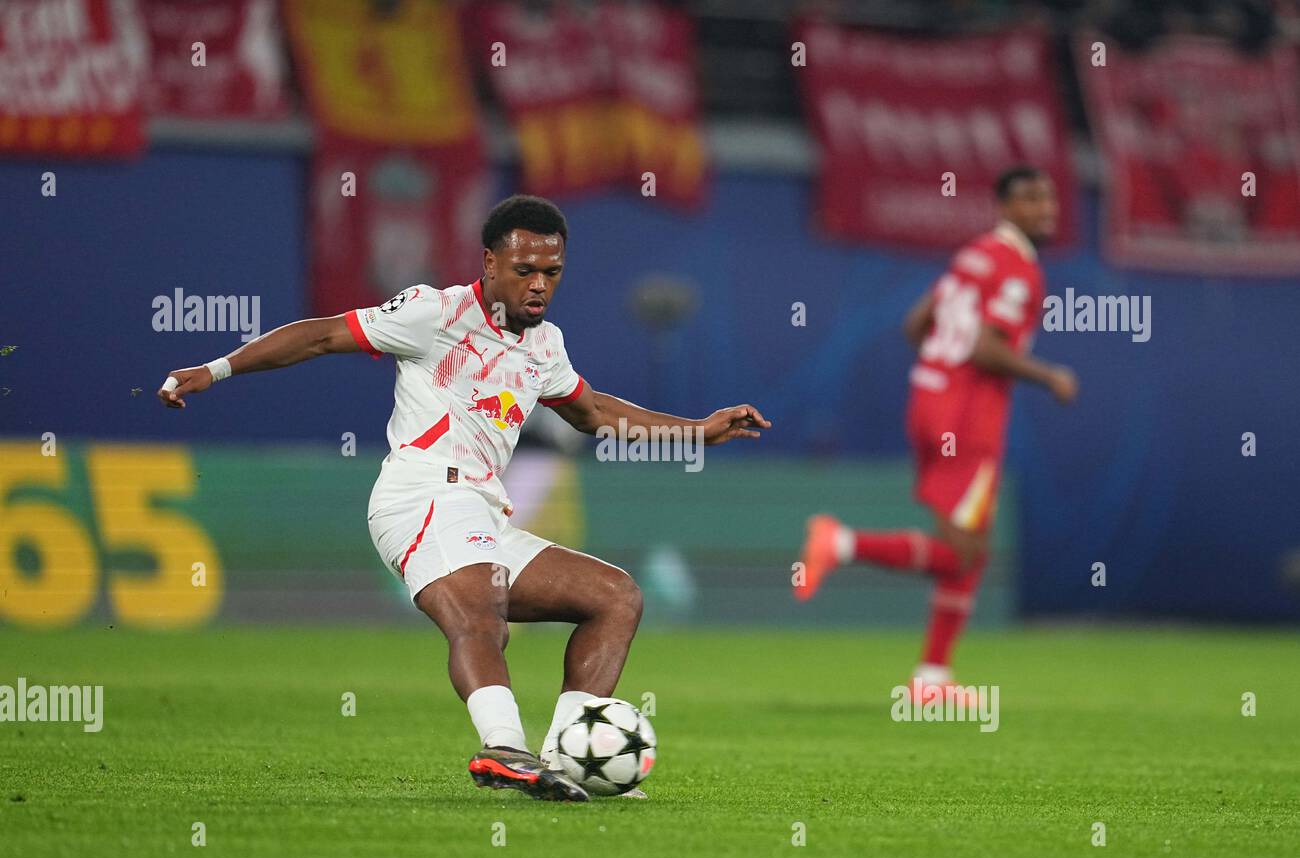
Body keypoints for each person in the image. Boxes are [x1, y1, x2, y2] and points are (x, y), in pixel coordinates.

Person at [159, 194, 770, 801]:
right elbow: (321, 337)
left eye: (551, 273)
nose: (538, 285)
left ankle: (565, 761)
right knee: (482, 613)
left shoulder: (545, 346)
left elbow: (593, 412)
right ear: (489, 264)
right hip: (420, 494)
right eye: (524, 270)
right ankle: (504, 747)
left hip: (481, 509)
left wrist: (698, 431)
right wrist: (214, 370)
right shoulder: (435, 313)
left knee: (614, 597)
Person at [794, 167, 1077, 703]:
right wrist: (1050, 376)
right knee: (964, 553)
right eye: (1031, 200)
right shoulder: (1018, 269)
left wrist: (939, 374)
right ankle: (842, 542)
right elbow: (985, 349)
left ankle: (933, 678)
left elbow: (914, 324)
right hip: (968, 418)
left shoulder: (973, 255)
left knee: (974, 547)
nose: (1045, 209)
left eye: (1048, 198)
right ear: (1004, 207)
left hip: (929, 400)